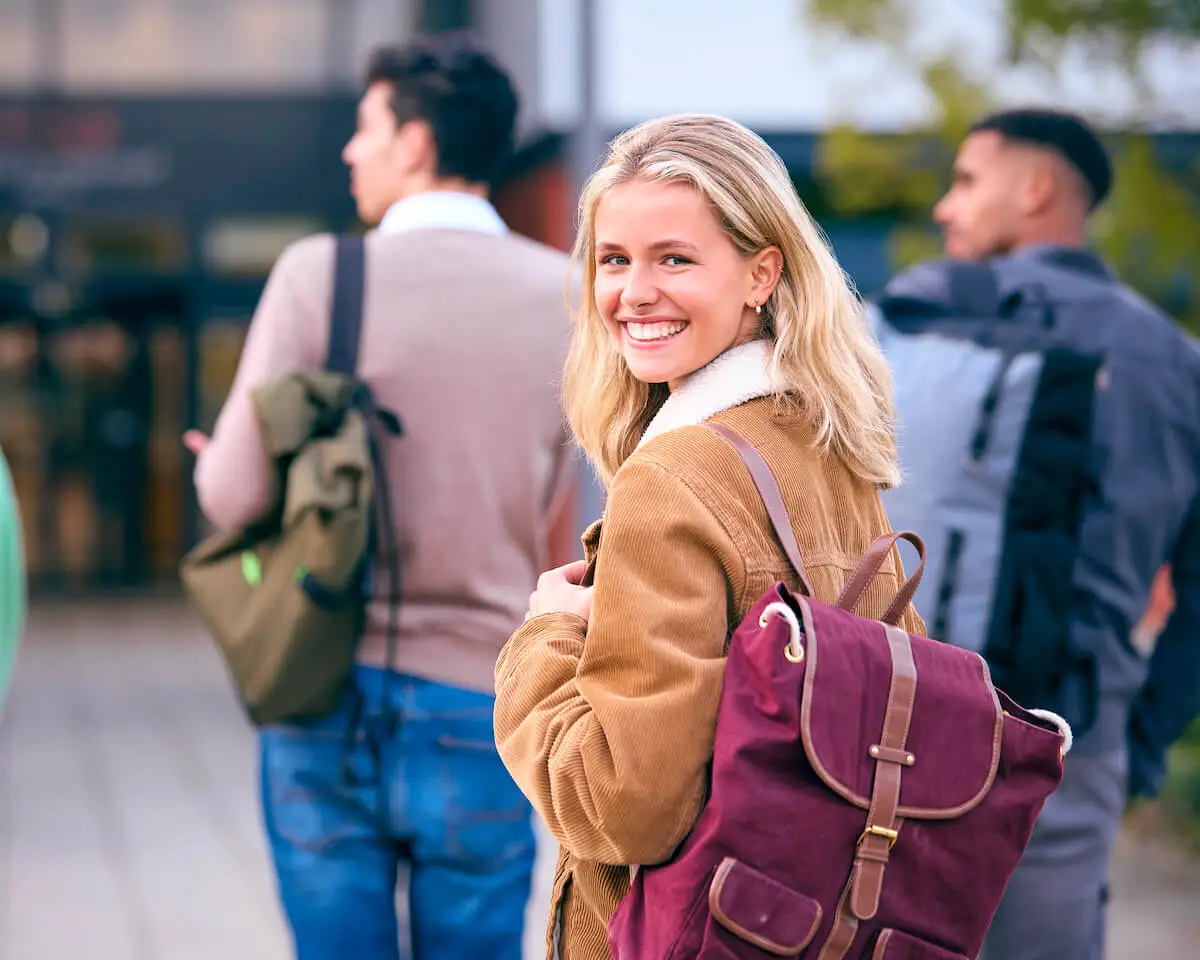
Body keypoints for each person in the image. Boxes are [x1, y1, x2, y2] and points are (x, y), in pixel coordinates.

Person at [492, 113, 925, 960]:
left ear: (762, 272)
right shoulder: (827, 442)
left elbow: (625, 806)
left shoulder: (672, 479)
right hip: (820, 918)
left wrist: (542, 640)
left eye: (675, 259)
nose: (633, 292)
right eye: (614, 260)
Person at [188, 34, 577, 960]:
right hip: (486, 700)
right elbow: (565, 507)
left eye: (365, 128)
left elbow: (232, 491)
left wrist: (222, 461)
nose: (349, 151)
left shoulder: (322, 275)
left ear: (414, 142)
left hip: (328, 686)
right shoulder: (565, 295)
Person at [878, 108, 1200, 960]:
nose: (947, 208)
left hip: (883, 733)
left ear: (1037, 188)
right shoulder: (1172, 362)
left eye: (967, 181)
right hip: (1068, 744)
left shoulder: (907, 324)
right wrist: (1137, 744)